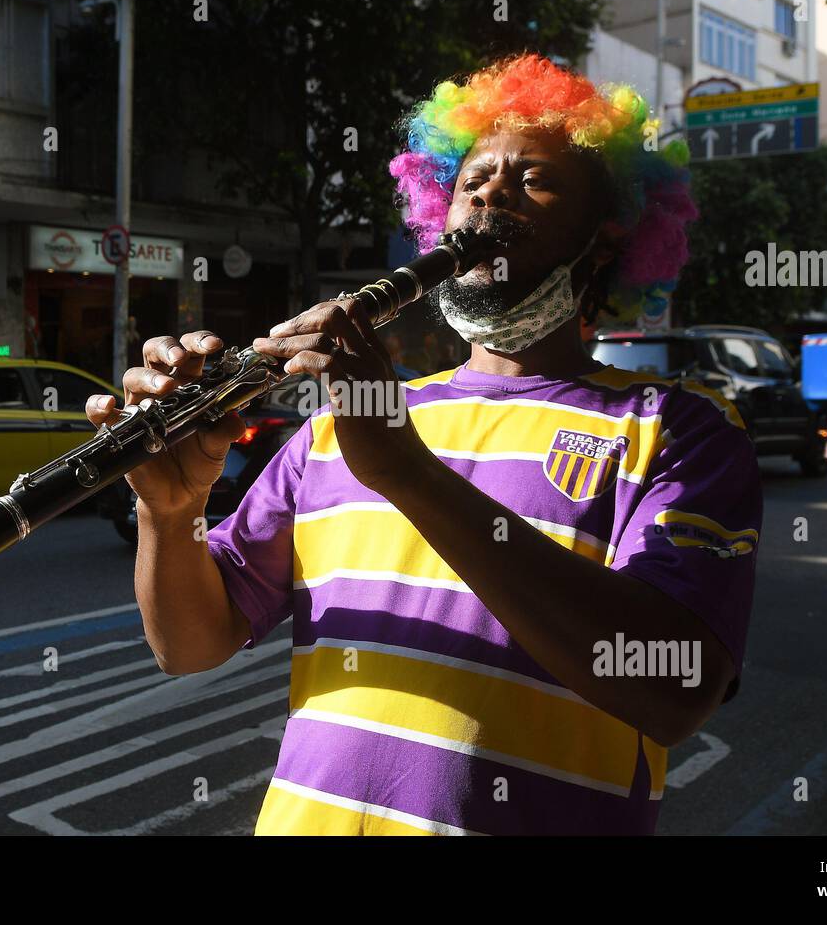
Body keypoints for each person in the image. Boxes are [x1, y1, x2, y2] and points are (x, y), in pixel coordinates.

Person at [86, 55, 760, 835]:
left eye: (534, 180)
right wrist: (170, 516)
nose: (490, 195)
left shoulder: (680, 426)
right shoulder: (340, 428)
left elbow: (673, 688)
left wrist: (407, 472)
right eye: (471, 183)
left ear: (606, 242)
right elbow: (192, 646)